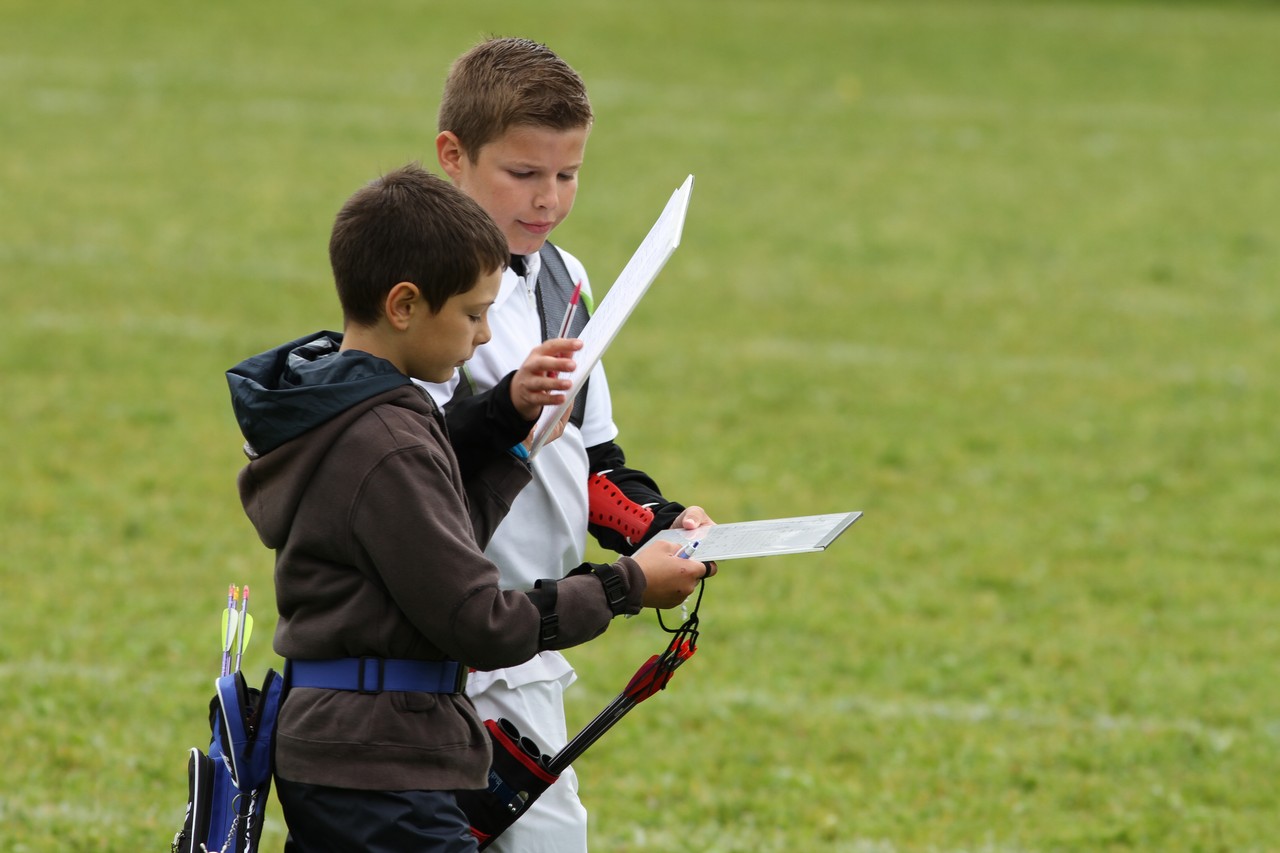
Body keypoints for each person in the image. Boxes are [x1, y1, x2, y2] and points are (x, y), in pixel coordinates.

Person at [225, 164, 709, 852]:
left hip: (364, 752)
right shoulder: (387, 440)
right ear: (403, 306)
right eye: (474, 315)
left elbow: (434, 546)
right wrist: (628, 585)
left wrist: (517, 440)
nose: (485, 336)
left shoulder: (367, 414)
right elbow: (477, 619)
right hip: (375, 766)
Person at [421, 37, 714, 853]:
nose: (547, 198)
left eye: (568, 174)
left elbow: (590, 462)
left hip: (537, 638)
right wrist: (508, 406)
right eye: (524, 174)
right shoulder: (421, 291)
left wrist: (655, 528)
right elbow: (404, 462)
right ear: (455, 155)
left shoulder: (565, 279)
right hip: (451, 648)